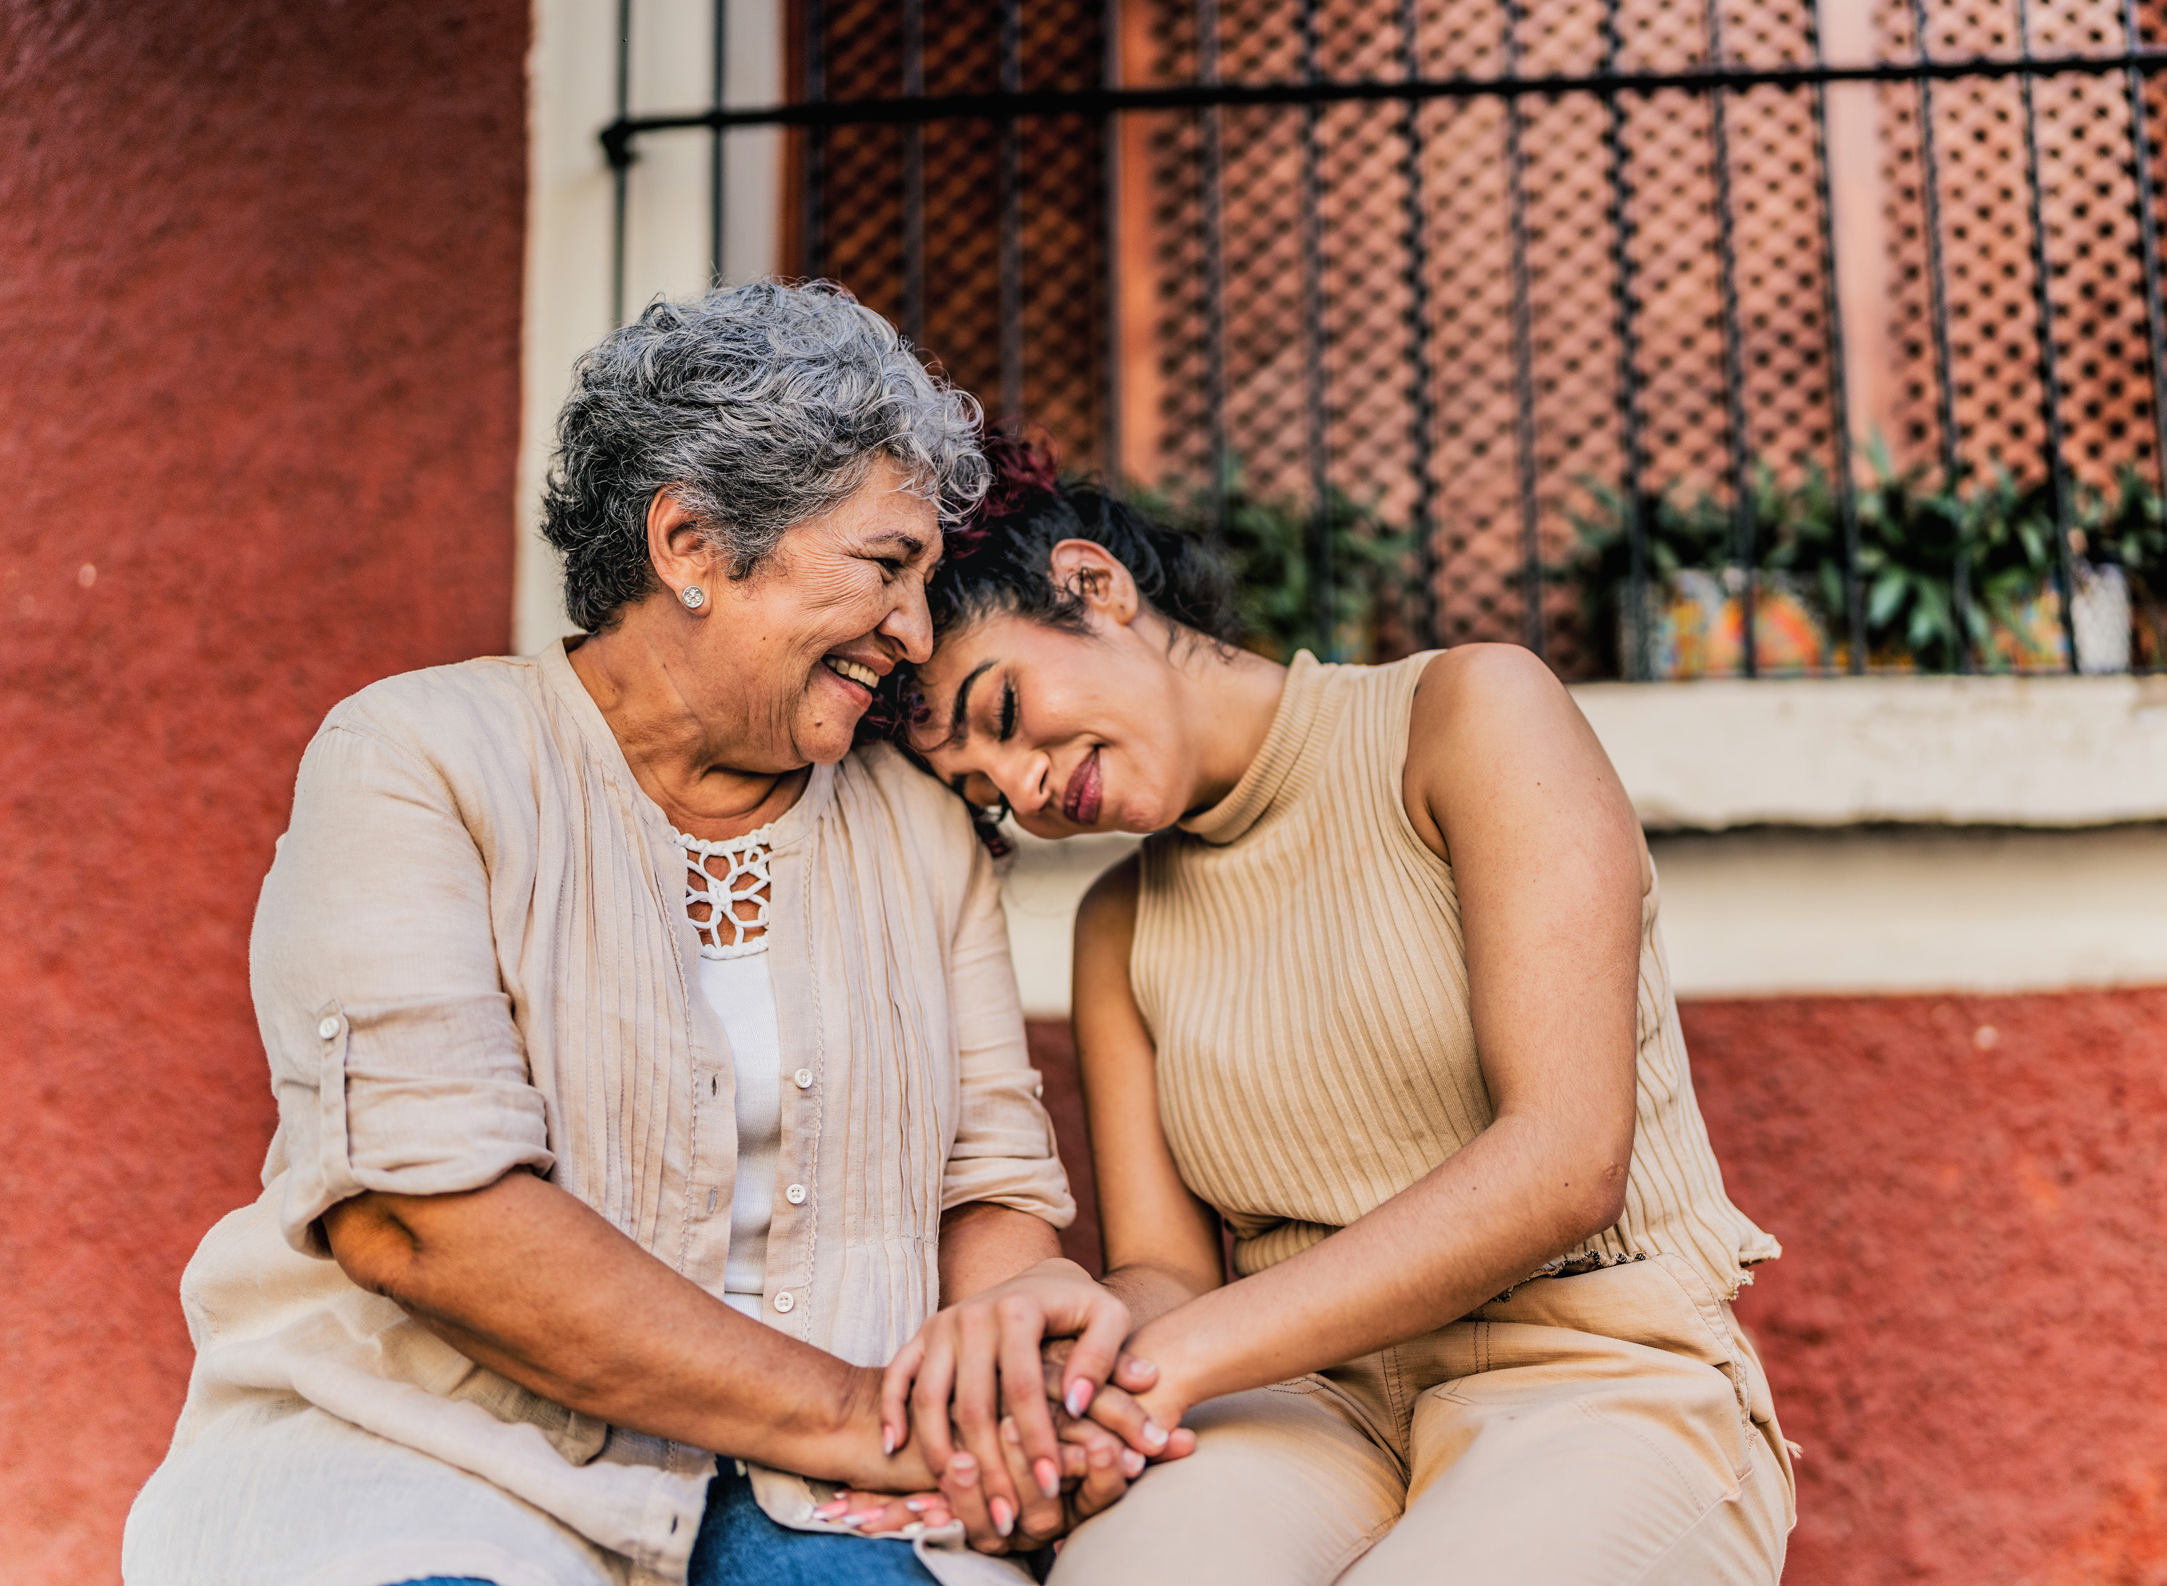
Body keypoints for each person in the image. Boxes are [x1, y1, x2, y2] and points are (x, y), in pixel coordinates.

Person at [122, 285, 1177, 1586]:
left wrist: (1005, 1373)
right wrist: (863, 1418)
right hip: (446, 1452)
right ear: (691, 543)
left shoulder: (915, 828)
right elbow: (426, 1221)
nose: (914, 630)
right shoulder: (418, 759)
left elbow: (993, 1188)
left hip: (828, 1491)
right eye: (885, 565)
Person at [888, 440, 1796, 1584]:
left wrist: (1175, 1357)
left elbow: (1567, 1160)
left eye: (1004, 709)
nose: (1019, 786)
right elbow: (1168, 1272)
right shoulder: (1118, 927)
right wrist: (1076, 1374)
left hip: (1600, 1371)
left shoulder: (1467, 715)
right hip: (1304, 1404)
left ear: (1092, 584)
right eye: (979, 786)